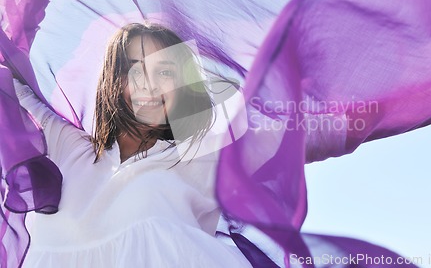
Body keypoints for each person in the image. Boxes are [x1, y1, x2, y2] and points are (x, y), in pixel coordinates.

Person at [14, 23, 252, 267]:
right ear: (113, 79)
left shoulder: (202, 158)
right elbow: (10, 86)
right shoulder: (66, 146)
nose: (149, 85)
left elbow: (280, 140)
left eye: (165, 72)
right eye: (134, 70)